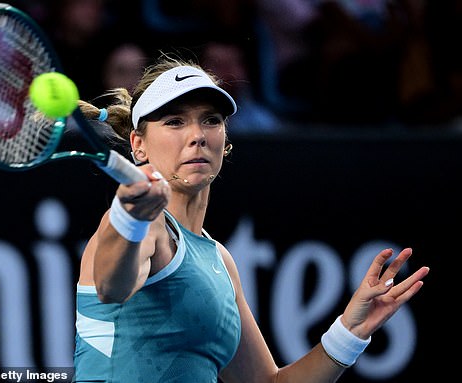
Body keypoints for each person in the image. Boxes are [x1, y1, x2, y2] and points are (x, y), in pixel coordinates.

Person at [73, 54, 430, 383]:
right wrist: (130, 219)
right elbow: (111, 287)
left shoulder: (219, 260)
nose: (197, 136)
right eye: (175, 122)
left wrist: (349, 333)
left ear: (224, 139)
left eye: (210, 120)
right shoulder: (140, 224)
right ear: (138, 145)